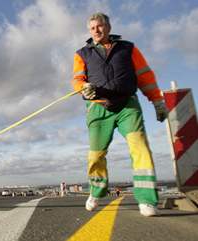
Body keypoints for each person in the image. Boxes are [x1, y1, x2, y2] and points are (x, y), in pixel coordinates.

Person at [72, 13, 168, 217]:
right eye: (92, 28)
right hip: (98, 108)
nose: (96, 31)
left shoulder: (128, 48)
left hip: (128, 105)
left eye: (100, 26)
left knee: (140, 147)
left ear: (108, 27)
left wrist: (157, 102)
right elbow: (77, 80)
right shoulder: (82, 53)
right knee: (96, 155)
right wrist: (83, 88)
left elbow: (145, 76)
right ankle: (96, 191)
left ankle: (147, 200)